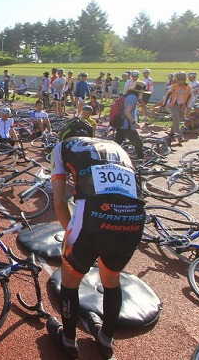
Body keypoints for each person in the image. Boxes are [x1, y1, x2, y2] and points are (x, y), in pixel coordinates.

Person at [47, 118, 145, 360]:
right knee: (111, 279)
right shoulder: (117, 147)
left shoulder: (62, 147)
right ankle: (105, 339)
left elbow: (59, 203)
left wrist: (72, 235)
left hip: (92, 216)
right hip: (133, 218)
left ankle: (68, 341)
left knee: (70, 281)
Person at [114, 81, 150, 160]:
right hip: (128, 126)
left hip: (121, 124)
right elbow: (127, 111)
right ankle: (141, 159)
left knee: (116, 143)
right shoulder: (133, 97)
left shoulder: (128, 96)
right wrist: (134, 123)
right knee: (138, 144)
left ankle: (110, 157)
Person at [160, 71, 193, 145]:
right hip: (173, 106)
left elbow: (190, 97)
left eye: (181, 80)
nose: (180, 82)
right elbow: (167, 95)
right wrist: (163, 104)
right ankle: (180, 137)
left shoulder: (188, 87)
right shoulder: (174, 86)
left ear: (184, 79)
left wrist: (186, 105)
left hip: (182, 107)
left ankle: (171, 133)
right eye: (178, 80)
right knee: (177, 123)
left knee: (176, 122)